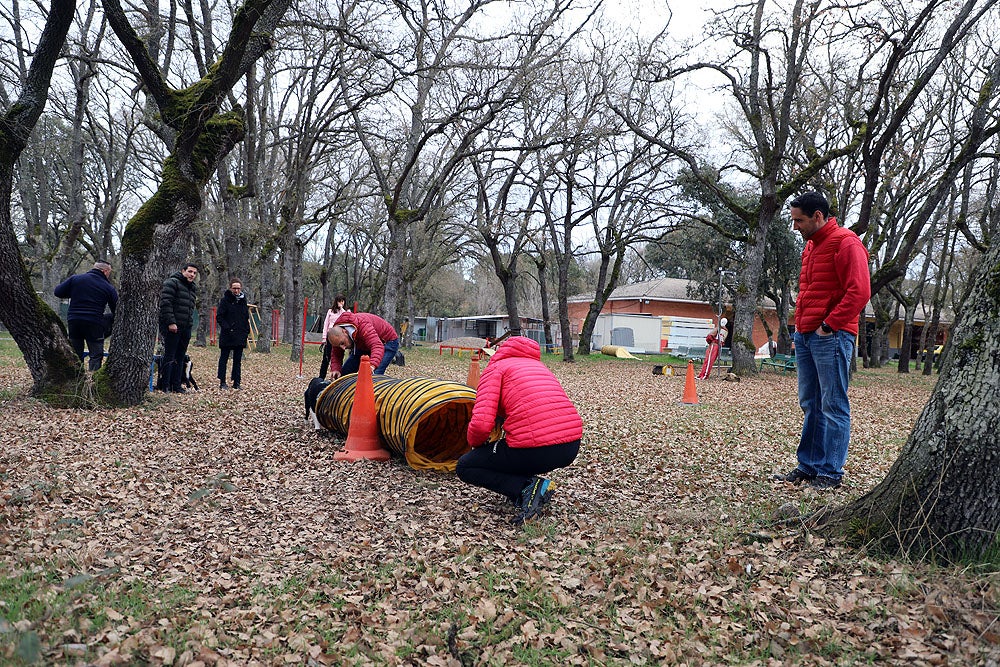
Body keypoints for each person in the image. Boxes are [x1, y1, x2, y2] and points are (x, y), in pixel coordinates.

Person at [774, 191, 870, 490]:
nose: (795, 227)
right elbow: (810, 292)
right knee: (811, 404)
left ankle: (830, 472)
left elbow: (860, 292)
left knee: (833, 405)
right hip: (805, 335)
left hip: (832, 336)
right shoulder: (811, 247)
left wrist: (829, 325)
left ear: (818, 216)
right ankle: (808, 467)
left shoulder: (846, 242)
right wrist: (800, 330)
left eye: (799, 221)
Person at [456, 336, 582, 525]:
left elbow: (481, 424)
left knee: (466, 466)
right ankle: (528, 491)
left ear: (500, 351)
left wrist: (476, 446)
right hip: (570, 446)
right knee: (509, 451)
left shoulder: (496, 369)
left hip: (535, 448)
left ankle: (527, 487)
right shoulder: (540, 368)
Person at [53, 260, 119, 370]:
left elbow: (58, 292)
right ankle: (92, 379)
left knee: (75, 353)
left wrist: (74, 293)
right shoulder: (108, 287)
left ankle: (77, 378)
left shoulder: (75, 279)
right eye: (109, 273)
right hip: (94, 323)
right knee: (96, 354)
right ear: (105, 271)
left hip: (74, 321)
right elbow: (116, 310)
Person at [158, 263, 199, 393]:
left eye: (194, 273)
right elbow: (165, 303)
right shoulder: (172, 283)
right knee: (169, 356)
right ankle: (165, 385)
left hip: (186, 327)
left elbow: (189, 308)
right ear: (183, 271)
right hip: (172, 327)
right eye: (190, 272)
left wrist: (189, 324)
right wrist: (171, 322)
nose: (192, 275)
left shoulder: (192, 288)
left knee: (180, 356)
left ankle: (176, 385)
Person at [325, 311, 399, 378]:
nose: (343, 348)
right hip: (363, 345)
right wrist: (336, 369)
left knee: (372, 376)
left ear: (345, 332)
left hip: (387, 342)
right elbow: (336, 353)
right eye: (339, 345)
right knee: (344, 376)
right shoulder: (337, 335)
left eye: (342, 343)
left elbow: (377, 346)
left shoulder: (363, 325)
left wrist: (372, 365)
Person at [216, 279, 250, 390]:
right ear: (230, 288)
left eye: (238, 288)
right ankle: (222, 382)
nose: (236, 290)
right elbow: (219, 317)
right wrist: (228, 328)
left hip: (240, 335)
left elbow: (246, 317)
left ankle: (237, 382)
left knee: (237, 361)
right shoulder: (225, 301)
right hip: (227, 335)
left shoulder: (243, 301)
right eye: (234, 288)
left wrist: (246, 331)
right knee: (224, 359)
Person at [318, 294, 347, 379]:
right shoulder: (330, 311)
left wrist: (341, 308)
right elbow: (326, 324)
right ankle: (321, 377)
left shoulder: (346, 311)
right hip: (330, 336)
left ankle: (337, 376)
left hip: (340, 337)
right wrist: (324, 338)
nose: (341, 303)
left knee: (338, 357)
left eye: (342, 301)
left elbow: (346, 317)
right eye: (339, 301)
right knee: (326, 358)